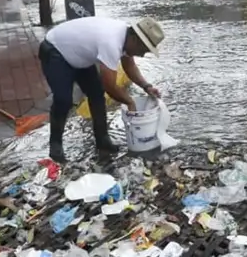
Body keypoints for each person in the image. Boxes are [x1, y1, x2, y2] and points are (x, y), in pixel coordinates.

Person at [38, 16, 165, 163]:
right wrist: (129, 101)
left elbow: (129, 66)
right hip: (56, 51)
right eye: (143, 50)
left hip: (79, 55)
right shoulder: (111, 42)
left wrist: (147, 86)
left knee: (97, 94)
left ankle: (103, 140)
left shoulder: (126, 37)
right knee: (63, 100)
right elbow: (110, 86)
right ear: (136, 40)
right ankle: (55, 147)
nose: (142, 54)